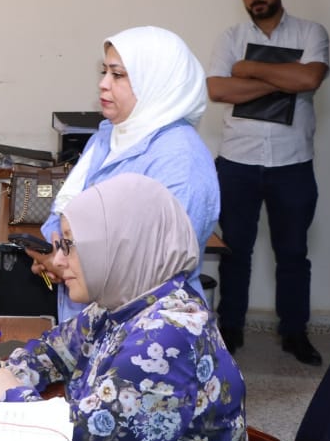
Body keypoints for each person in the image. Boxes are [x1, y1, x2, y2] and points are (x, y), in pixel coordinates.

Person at [0, 174, 249, 441]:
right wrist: (6, 379)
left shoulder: (168, 334)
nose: (58, 261)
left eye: (69, 245)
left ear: (121, 246)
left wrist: (9, 396)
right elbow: (53, 350)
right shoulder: (121, 301)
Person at [28, 26, 219, 325]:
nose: (103, 84)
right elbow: (64, 212)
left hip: (147, 328)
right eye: (104, 72)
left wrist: (65, 262)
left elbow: (157, 265)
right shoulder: (108, 136)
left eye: (117, 75)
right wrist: (56, 254)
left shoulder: (181, 160)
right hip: (92, 322)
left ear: (156, 81)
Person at [207, 0, 329, 364]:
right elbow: (219, 90)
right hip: (237, 162)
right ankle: (231, 328)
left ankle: (294, 333)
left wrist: (249, 70)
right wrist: (282, 78)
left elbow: (309, 79)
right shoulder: (230, 37)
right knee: (234, 252)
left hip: (293, 164)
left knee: (293, 254)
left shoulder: (311, 33)